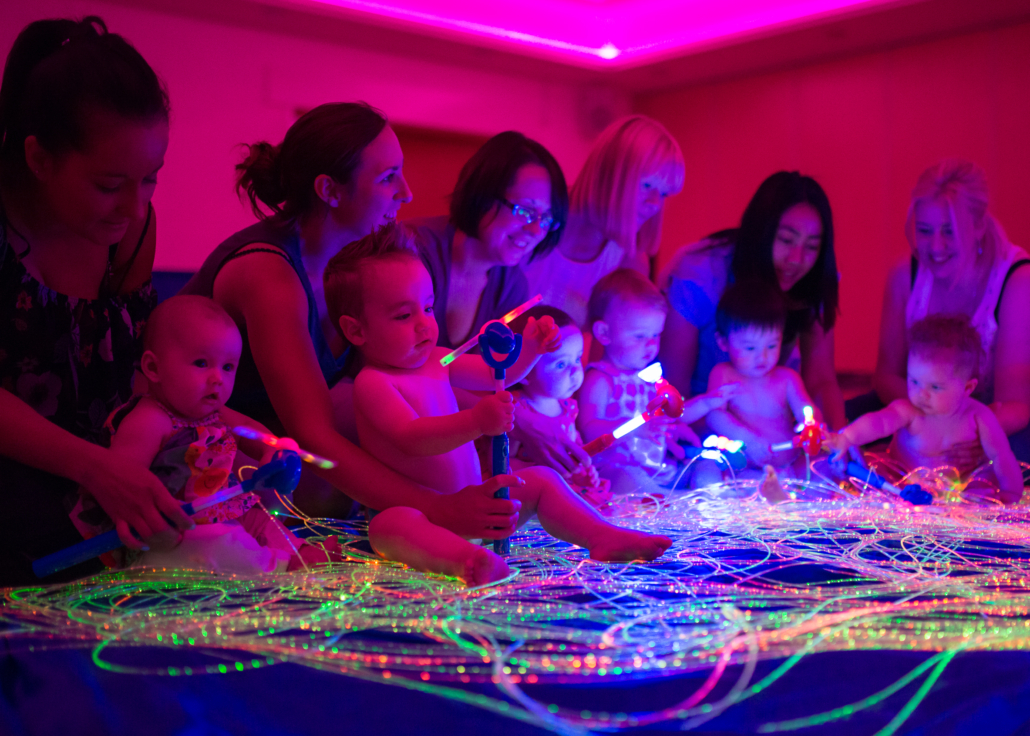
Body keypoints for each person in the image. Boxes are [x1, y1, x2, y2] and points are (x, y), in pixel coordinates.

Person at [182, 103, 523, 540]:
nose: (407, 193)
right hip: (195, 449)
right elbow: (314, 436)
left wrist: (501, 418)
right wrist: (438, 508)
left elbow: (428, 375)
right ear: (329, 190)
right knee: (334, 474)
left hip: (273, 445)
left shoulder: (355, 265)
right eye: (388, 178)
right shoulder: (270, 276)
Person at [327, 224, 672, 584]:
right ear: (356, 331)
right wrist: (475, 421)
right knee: (388, 525)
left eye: (427, 308)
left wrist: (532, 349)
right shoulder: (373, 383)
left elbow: (500, 374)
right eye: (403, 315)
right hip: (426, 516)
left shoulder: (439, 359)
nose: (424, 325)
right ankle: (467, 561)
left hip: (478, 505)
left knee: (542, 480)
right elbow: (411, 438)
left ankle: (601, 535)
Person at [0, 17, 194, 584]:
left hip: (106, 471)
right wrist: (98, 470)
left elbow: (139, 371)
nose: (134, 208)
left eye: (150, 179)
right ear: (39, 160)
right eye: (109, 186)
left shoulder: (130, 229)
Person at [70, 296, 341, 572]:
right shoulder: (150, 420)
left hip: (220, 510)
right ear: (153, 368)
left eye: (228, 367)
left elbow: (250, 432)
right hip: (172, 531)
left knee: (261, 520)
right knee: (219, 541)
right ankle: (282, 567)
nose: (217, 378)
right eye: (201, 363)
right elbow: (122, 480)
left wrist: (273, 449)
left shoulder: (214, 412)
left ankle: (298, 551)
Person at [869, 159, 1030, 464]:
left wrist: (971, 432)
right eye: (924, 231)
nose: (935, 246)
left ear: (979, 226)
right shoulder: (904, 274)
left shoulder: (1017, 281)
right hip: (921, 410)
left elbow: (1017, 404)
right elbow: (886, 375)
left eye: (949, 231)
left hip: (992, 422)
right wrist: (926, 419)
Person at [658, 171, 845, 430]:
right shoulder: (701, 275)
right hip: (701, 425)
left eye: (812, 246)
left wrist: (840, 439)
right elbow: (674, 388)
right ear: (760, 233)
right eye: (786, 240)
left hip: (771, 427)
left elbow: (821, 380)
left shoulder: (814, 281)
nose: (796, 258)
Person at [831, 315, 1023, 503]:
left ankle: (972, 502)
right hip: (902, 483)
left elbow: (1001, 455)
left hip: (957, 489)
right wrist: (847, 437)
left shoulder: (978, 416)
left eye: (935, 387)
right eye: (914, 381)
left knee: (986, 478)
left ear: (967, 388)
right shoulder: (909, 411)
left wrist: (1011, 492)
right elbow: (879, 422)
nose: (921, 393)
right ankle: (888, 498)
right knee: (875, 467)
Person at [577, 269, 736, 493]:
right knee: (628, 478)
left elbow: (674, 415)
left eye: (656, 335)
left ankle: (708, 501)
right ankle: (665, 502)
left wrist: (707, 402)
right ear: (604, 333)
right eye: (640, 336)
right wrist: (633, 428)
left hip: (658, 472)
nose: (651, 344)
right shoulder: (600, 380)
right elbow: (589, 431)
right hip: (614, 473)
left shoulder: (651, 380)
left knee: (707, 465)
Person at [406, 131, 567, 349]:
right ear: (483, 195)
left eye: (547, 219)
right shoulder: (413, 249)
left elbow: (494, 368)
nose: (537, 230)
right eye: (526, 210)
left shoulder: (511, 287)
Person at [522, 115, 684, 326]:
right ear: (611, 174)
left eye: (663, 194)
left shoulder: (630, 262)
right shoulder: (535, 217)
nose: (655, 204)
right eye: (646, 185)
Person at [704, 280, 819, 477]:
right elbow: (714, 416)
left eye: (772, 346)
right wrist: (747, 439)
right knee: (706, 475)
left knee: (820, 472)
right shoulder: (723, 374)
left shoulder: (787, 379)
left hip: (786, 468)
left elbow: (807, 412)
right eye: (750, 348)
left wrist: (812, 426)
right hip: (740, 471)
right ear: (723, 342)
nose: (762, 356)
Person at [506, 305, 611, 509]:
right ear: (524, 370)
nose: (575, 370)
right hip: (533, 497)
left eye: (578, 358)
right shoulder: (517, 410)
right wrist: (542, 472)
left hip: (566, 489)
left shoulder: (568, 406)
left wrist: (581, 471)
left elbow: (573, 446)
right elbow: (504, 464)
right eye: (561, 364)